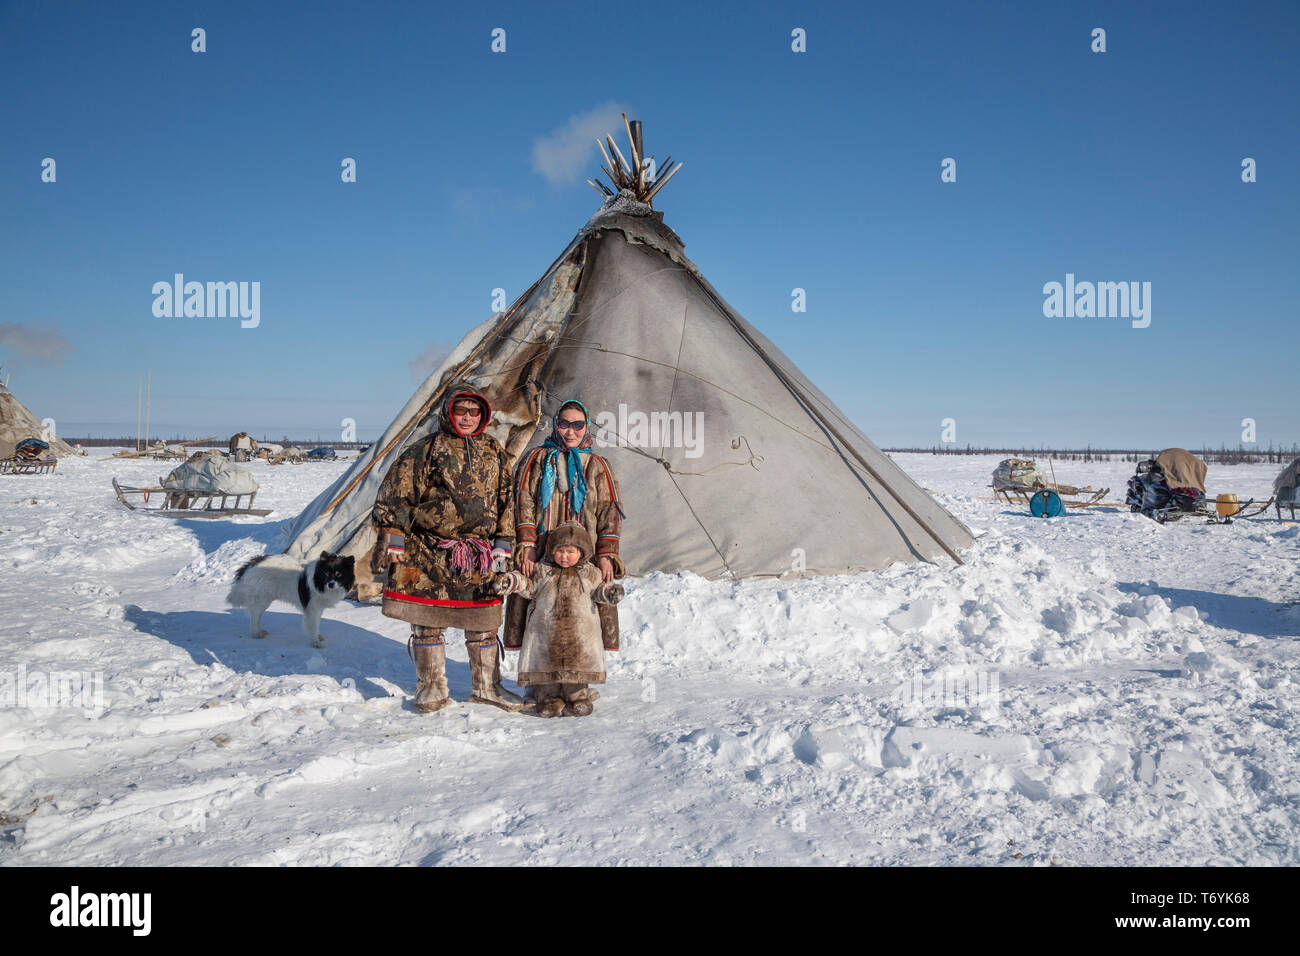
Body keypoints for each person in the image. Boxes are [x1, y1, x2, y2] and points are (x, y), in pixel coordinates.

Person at [370, 384, 522, 713]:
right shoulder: (426, 449)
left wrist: (504, 542)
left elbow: (507, 498)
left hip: (481, 553)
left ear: (483, 415)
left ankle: (487, 687)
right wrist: (394, 534)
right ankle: (431, 689)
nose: (467, 417)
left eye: (474, 411)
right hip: (430, 549)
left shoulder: (493, 450)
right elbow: (397, 492)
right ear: (448, 412)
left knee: (484, 621)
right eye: (460, 410)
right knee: (428, 621)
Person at [495, 522, 623, 717]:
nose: (564, 556)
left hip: (578, 639)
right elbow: (528, 586)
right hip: (547, 638)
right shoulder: (543, 570)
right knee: (547, 677)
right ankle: (548, 701)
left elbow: (599, 592)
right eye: (560, 551)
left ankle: (578, 699)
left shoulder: (590, 573)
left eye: (570, 551)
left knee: (576, 676)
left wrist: (610, 592)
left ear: (582, 552)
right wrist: (512, 581)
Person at [514, 399, 625, 583]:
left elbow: (610, 512)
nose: (571, 432)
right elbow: (522, 501)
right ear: (556, 424)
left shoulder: (598, 465)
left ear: (586, 426)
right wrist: (527, 545)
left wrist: (606, 554)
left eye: (578, 425)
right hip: (540, 556)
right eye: (564, 424)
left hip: (584, 561)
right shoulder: (536, 459)